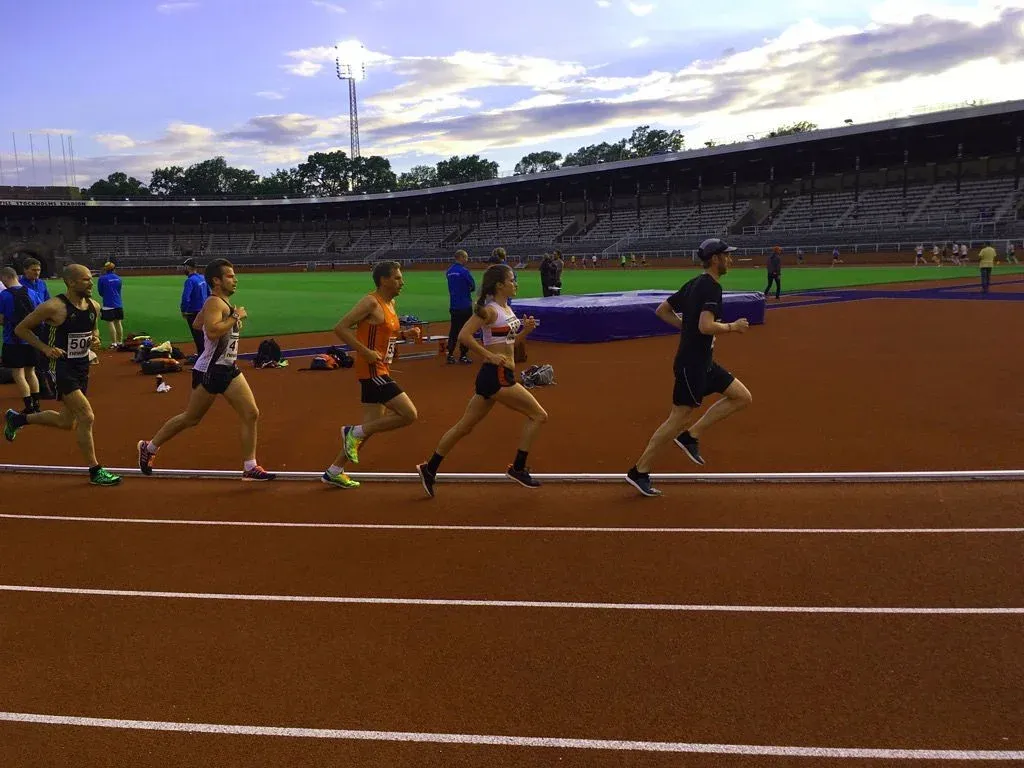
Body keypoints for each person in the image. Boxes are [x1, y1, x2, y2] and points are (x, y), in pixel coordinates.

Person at [625, 238, 752, 497]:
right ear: (715, 259)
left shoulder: (694, 283)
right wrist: (732, 327)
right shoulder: (711, 288)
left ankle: (691, 435)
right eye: (726, 256)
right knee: (676, 420)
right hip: (691, 365)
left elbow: (663, 310)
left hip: (704, 362)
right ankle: (639, 471)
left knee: (741, 397)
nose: (730, 259)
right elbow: (706, 326)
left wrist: (689, 327)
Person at [137, 259, 275, 481]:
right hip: (210, 370)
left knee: (251, 413)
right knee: (190, 418)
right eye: (230, 276)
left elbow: (197, 324)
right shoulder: (215, 303)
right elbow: (211, 332)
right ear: (216, 281)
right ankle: (149, 447)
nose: (235, 279)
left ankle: (250, 466)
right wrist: (235, 317)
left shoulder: (218, 303)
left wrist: (226, 316)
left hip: (227, 368)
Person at [416, 264, 545, 498]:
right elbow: (464, 335)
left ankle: (429, 468)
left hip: (496, 376)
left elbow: (510, 343)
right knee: (538, 415)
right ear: (499, 285)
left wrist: (526, 331)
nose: (515, 283)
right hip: (496, 376)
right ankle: (518, 467)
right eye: (512, 280)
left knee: (464, 427)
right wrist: (488, 355)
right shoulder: (490, 310)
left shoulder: (506, 309)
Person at [3, 264, 121, 486]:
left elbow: (93, 331)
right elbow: (21, 329)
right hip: (59, 367)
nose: (91, 282)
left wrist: (94, 340)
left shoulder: (94, 306)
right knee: (87, 416)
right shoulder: (54, 307)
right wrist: (45, 348)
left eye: (90, 278)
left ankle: (17, 418)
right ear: (71, 282)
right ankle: (95, 471)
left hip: (81, 367)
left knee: (67, 422)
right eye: (86, 279)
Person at [325, 260, 422, 489]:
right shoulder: (371, 302)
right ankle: (351, 431)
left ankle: (334, 470)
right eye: (397, 278)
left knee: (370, 427)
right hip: (372, 370)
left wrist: (405, 334)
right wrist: (365, 352)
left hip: (381, 367)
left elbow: (386, 336)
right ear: (384, 280)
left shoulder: (391, 303)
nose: (402, 282)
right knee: (409, 414)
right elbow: (341, 327)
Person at [0, 266, 41, 413]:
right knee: (31, 372)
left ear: (5, 278)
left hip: (12, 340)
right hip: (31, 339)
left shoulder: (4, 295)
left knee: (18, 373)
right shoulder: (32, 293)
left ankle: (28, 406)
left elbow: (1, 318)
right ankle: (37, 404)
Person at [445, 250, 475, 364]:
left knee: (454, 330)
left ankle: (450, 354)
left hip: (454, 305)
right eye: (466, 257)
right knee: (466, 330)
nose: (467, 260)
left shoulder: (449, 271)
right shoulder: (464, 271)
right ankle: (463, 355)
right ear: (461, 257)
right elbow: (473, 286)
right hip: (465, 304)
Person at [180, 253, 209, 356]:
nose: (184, 269)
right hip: (205, 311)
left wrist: (183, 310)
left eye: (184, 267)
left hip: (193, 312)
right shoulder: (202, 278)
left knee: (198, 337)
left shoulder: (190, 281)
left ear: (188, 267)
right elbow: (210, 293)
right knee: (205, 335)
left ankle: (201, 359)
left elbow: (185, 298)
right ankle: (205, 355)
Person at [96, 261, 124, 348]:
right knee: (118, 322)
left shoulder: (102, 279)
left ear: (105, 269)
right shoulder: (119, 278)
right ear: (114, 269)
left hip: (108, 304)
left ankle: (114, 343)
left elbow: (100, 292)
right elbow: (119, 290)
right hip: (118, 303)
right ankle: (120, 342)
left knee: (110, 323)